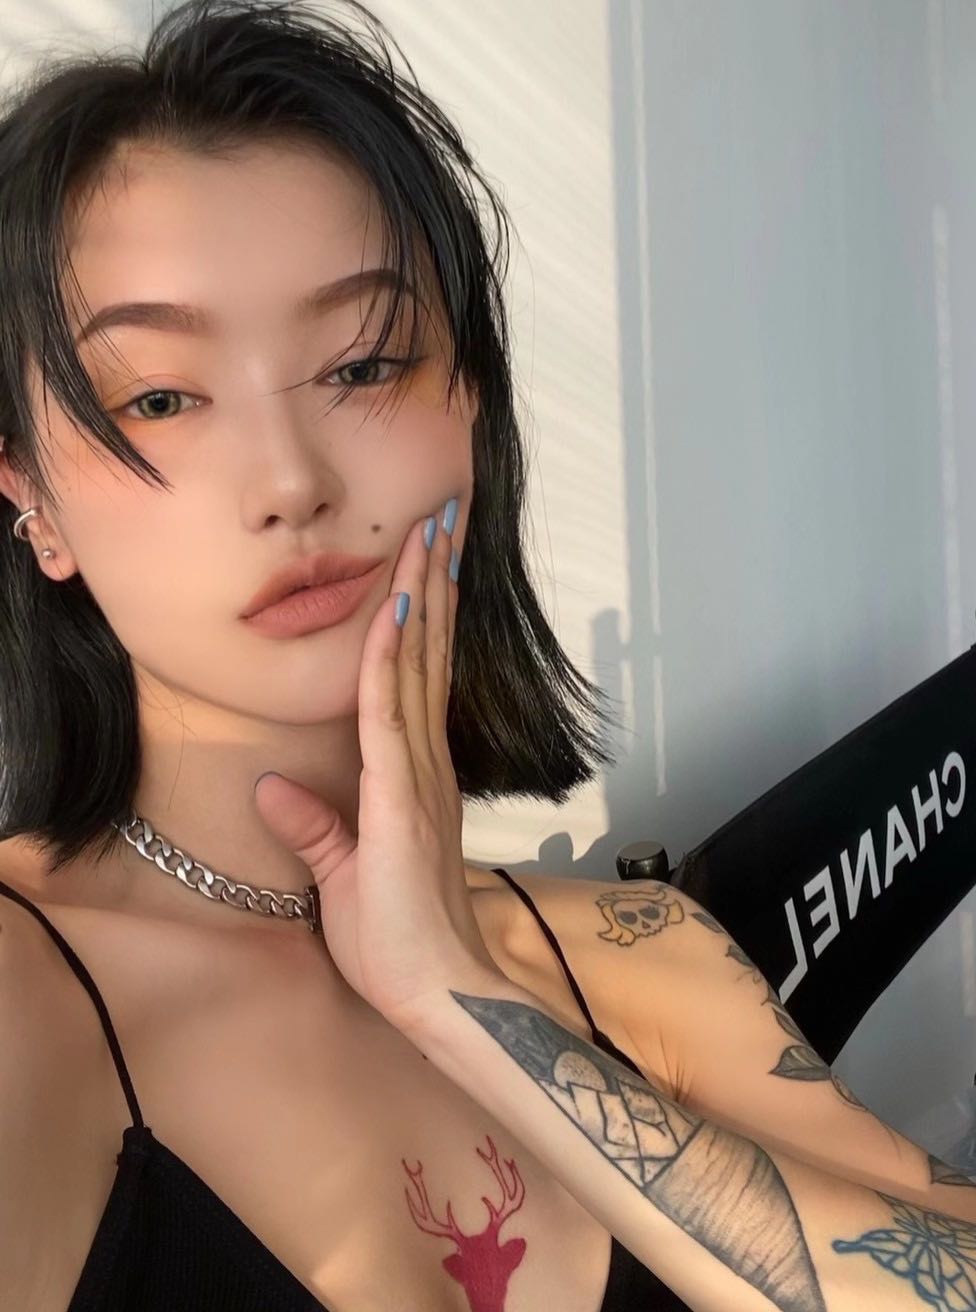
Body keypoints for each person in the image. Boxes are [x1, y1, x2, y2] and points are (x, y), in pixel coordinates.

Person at [0, 2, 972, 1309]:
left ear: (471, 404)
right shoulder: (22, 1003)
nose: (289, 481)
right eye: (161, 398)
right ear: (33, 503)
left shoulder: (637, 950)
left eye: (362, 364)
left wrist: (460, 999)